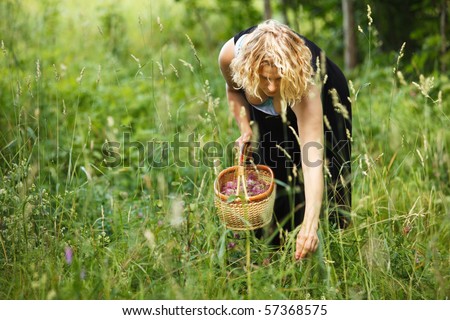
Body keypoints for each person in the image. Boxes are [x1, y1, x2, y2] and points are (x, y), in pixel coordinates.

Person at [218, 20, 352, 260]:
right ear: (249, 68)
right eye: (264, 78)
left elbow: (313, 159)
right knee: (270, 162)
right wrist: (245, 128)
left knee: (330, 174)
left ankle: (329, 244)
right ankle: (274, 247)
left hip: (326, 97)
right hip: (270, 94)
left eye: (277, 79)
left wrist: (310, 226)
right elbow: (233, 91)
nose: (270, 88)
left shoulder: (306, 83)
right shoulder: (231, 55)